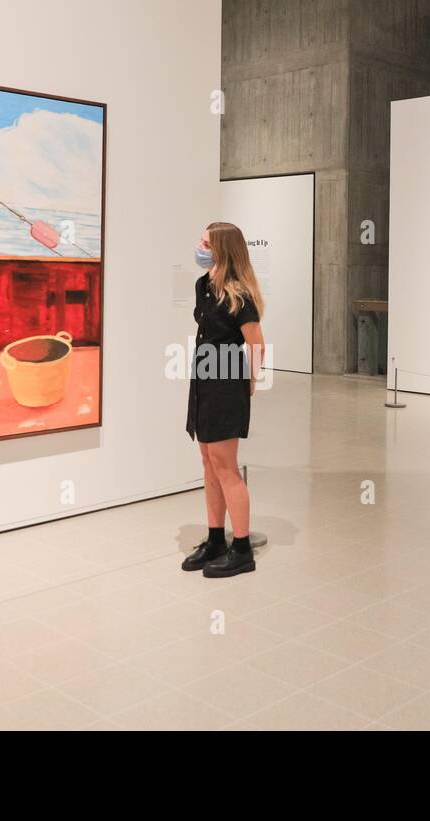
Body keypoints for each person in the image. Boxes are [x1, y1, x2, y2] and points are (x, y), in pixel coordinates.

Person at [182, 222, 266, 578]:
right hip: (203, 379)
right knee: (208, 462)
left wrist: (249, 382)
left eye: (205, 243)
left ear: (222, 250)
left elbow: (256, 343)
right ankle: (217, 538)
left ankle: (242, 548)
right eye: (200, 240)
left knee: (226, 466)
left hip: (226, 380)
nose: (199, 247)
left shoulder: (240, 294)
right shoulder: (203, 286)